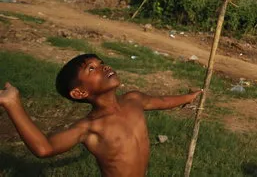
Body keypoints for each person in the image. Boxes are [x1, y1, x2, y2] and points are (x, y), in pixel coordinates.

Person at [0, 53, 202, 177]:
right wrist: (13, 104)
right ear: (80, 93)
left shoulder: (134, 100)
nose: (104, 67)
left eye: (101, 62)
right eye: (92, 68)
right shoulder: (90, 128)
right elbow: (44, 148)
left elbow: (163, 102)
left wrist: (188, 98)